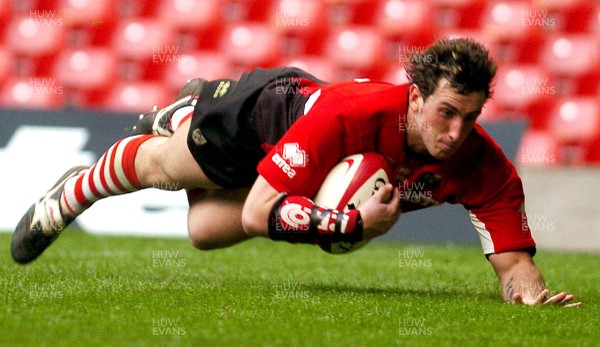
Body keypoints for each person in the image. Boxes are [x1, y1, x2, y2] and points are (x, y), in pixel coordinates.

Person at [12, 38, 580, 307]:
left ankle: (187, 111)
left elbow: (514, 265)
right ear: (414, 100)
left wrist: (530, 296)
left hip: (318, 170)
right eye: (445, 113)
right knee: (164, 167)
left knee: (203, 234)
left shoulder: (486, 167)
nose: (456, 132)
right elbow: (261, 214)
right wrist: (349, 226)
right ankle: (74, 191)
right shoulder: (352, 113)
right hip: (270, 114)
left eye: (471, 117)